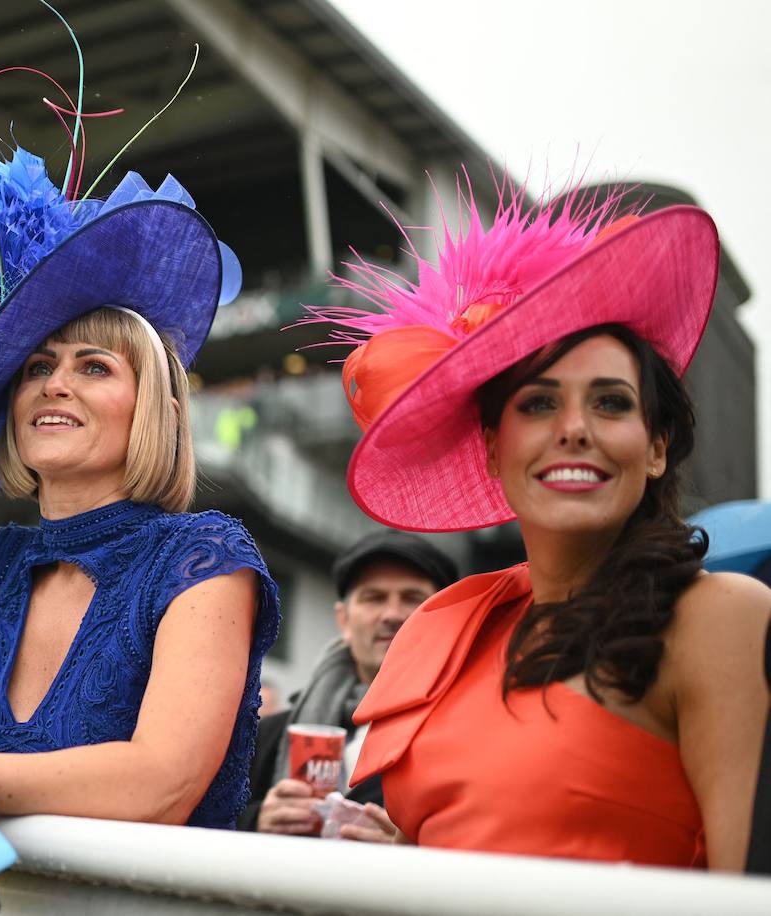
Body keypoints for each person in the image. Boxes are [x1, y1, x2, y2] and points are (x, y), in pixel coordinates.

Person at [0, 112, 278, 826]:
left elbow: (160, 783)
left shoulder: (207, 559)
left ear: (152, 407)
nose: (53, 384)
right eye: (37, 366)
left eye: (93, 366)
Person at [301, 182, 771, 869]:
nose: (574, 430)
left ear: (657, 445)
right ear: (493, 445)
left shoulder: (721, 619)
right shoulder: (446, 625)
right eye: (539, 403)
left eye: (610, 403)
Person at [240, 531, 457, 832]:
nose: (392, 614)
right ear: (343, 620)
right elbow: (206, 829)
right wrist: (258, 820)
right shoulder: (270, 737)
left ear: (446, 617)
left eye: (412, 598)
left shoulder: (469, 734)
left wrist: (412, 850)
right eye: (374, 598)